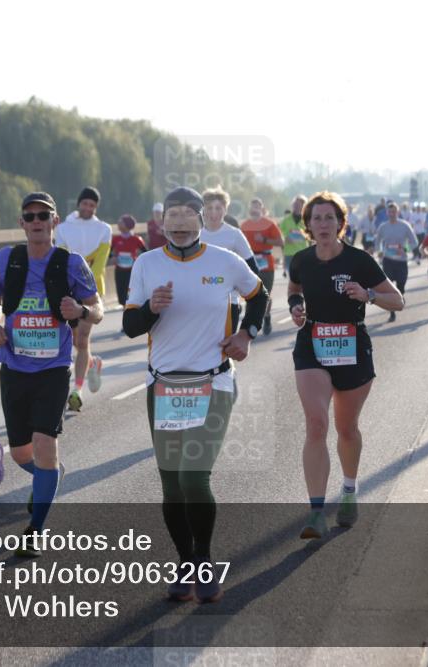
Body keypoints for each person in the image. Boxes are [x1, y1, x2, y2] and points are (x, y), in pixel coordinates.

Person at [123, 186, 267, 602]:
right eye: (174, 217)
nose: (181, 224)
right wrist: (152, 307)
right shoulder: (147, 265)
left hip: (214, 380)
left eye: (190, 216)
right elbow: (132, 327)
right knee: (171, 487)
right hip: (163, 384)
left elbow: (258, 296)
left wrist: (247, 334)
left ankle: (203, 562)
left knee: (193, 477)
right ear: (162, 223)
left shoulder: (226, 261)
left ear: (202, 221)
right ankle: (186, 562)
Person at [0, 191, 103, 557]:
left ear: (54, 222)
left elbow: (98, 309)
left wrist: (80, 310)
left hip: (52, 369)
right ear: (21, 223)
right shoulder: (8, 258)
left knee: (44, 444)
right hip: (15, 366)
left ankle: (34, 530)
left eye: (43, 216)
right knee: (22, 454)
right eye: (30, 216)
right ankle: (49, 477)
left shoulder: (71, 262)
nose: (36, 221)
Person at [287, 191, 403, 539]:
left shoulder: (360, 261)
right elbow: (294, 288)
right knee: (316, 424)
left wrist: (368, 295)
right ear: (307, 225)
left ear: (341, 223)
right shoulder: (302, 260)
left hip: (353, 350)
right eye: (316, 219)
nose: (323, 224)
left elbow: (397, 300)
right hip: (312, 347)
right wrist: (296, 307)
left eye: (329, 218)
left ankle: (350, 490)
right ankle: (316, 512)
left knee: (346, 428)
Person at [54, 187, 111, 411]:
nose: (88, 208)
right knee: (74, 341)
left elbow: (100, 263)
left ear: (96, 207)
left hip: (91, 290)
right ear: (79, 204)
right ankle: (93, 363)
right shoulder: (63, 228)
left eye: (92, 205)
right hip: (66, 290)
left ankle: (77, 391)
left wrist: (85, 289)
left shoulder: (104, 229)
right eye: (85, 203)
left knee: (82, 341)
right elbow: (60, 256)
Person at [199, 187, 261, 336]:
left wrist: (234, 285)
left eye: (218, 208)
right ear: (202, 210)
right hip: (199, 303)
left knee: (224, 349)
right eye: (209, 208)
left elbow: (253, 268)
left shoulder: (234, 235)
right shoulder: (195, 234)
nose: (214, 212)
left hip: (228, 303)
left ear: (225, 210)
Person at [240, 198, 284, 335]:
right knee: (249, 293)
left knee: (265, 293)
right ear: (249, 209)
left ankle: (267, 317)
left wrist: (264, 239)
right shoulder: (244, 225)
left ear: (261, 208)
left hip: (266, 261)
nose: (254, 209)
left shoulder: (269, 224)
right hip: (249, 261)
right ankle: (249, 324)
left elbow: (280, 242)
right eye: (252, 207)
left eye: (257, 207)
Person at [373, 201, 418, 323]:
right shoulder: (383, 226)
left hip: (401, 261)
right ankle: (392, 312)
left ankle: (400, 296)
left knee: (401, 285)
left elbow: (414, 242)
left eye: (394, 212)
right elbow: (377, 242)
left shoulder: (405, 225)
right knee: (389, 287)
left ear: (398, 212)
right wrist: (379, 251)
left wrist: (405, 249)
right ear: (387, 213)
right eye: (390, 212)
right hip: (388, 260)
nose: (392, 214)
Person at [110, 214, 146, 309]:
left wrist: (138, 261)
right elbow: (108, 252)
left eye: (121, 222)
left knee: (130, 292)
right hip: (119, 269)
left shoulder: (136, 239)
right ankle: (124, 310)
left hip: (132, 270)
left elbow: (145, 253)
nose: (118, 224)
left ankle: (131, 310)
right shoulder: (116, 239)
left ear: (127, 225)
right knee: (121, 292)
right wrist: (112, 257)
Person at [278, 195, 310, 277]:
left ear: (304, 206)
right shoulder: (286, 219)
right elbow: (279, 231)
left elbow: (311, 233)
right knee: (292, 278)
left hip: (302, 252)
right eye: (295, 204)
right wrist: (285, 237)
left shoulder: (307, 219)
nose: (296, 206)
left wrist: (304, 235)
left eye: (298, 205)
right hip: (289, 253)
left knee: (303, 277)